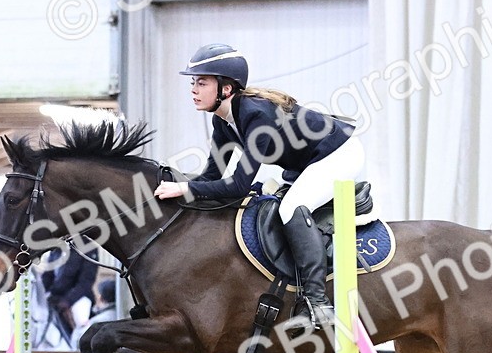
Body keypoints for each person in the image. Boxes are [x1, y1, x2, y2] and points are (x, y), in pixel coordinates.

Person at [153, 43, 365, 330]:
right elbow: (210, 177)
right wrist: (176, 188)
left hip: (340, 154)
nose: (193, 89)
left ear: (226, 88)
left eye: (201, 82)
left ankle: (318, 303)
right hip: (307, 163)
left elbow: (239, 185)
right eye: (193, 82)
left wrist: (187, 190)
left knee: (291, 207)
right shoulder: (224, 123)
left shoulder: (255, 114)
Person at [70, 277, 118, 348]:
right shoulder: (120, 315)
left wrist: (80, 328)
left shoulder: (98, 321)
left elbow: (77, 343)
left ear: (101, 298)